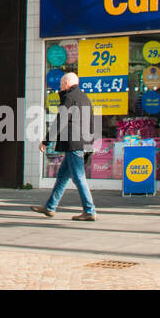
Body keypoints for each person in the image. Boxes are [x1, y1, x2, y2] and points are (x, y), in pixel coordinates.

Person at [31, 72, 98, 221]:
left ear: (67, 84)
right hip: (79, 143)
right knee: (62, 176)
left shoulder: (69, 98)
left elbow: (60, 121)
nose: (60, 87)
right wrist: (89, 142)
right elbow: (91, 122)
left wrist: (46, 141)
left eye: (61, 84)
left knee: (79, 177)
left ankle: (90, 210)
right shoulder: (85, 98)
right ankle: (50, 207)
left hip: (73, 144)